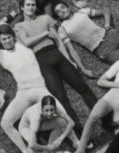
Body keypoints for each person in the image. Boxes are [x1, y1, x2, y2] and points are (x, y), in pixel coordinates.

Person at [0, 25, 66, 153]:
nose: (7, 41)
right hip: (23, 92)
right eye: (3, 39)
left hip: (40, 88)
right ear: (0, 42)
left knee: (63, 117)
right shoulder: (1, 55)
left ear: (13, 37)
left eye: (9, 37)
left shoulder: (23, 45)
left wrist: (7, 30)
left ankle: (50, 148)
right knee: (5, 123)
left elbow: (16, 30)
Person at [14, 0, 99, 132]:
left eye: (33, 4)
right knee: (60, 97)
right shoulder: (19, 26)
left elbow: (58, 41)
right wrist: (45, 34)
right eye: (28, 5)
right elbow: (26, 42)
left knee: (82, 86)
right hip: (42, 61)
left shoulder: (46, 18)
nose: (31, 7)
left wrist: (68, 59)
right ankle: (78, 131)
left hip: (56, 54)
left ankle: (104, 117)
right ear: (22, 8)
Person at [53, 2, 119, 65]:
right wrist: (83, 69)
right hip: (102, 50)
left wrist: (107, 24)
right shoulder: (62, 29)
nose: (61, 11)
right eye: (58, 12)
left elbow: (105, 10)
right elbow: (71, 50)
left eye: (62, 7)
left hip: (111, 35)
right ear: (58, 17)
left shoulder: (81, 12)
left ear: (67, 7)